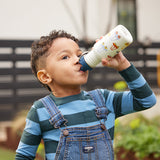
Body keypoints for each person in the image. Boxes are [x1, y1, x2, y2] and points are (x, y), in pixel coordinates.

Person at [15, 30, 156, 160]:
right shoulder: (40, 111)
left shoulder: (104, 100)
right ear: (45, 77)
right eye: (65, 57)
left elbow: (146, 100)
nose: (78, 60)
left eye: (79, 54)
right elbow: (24, 156)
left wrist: (123, 65)